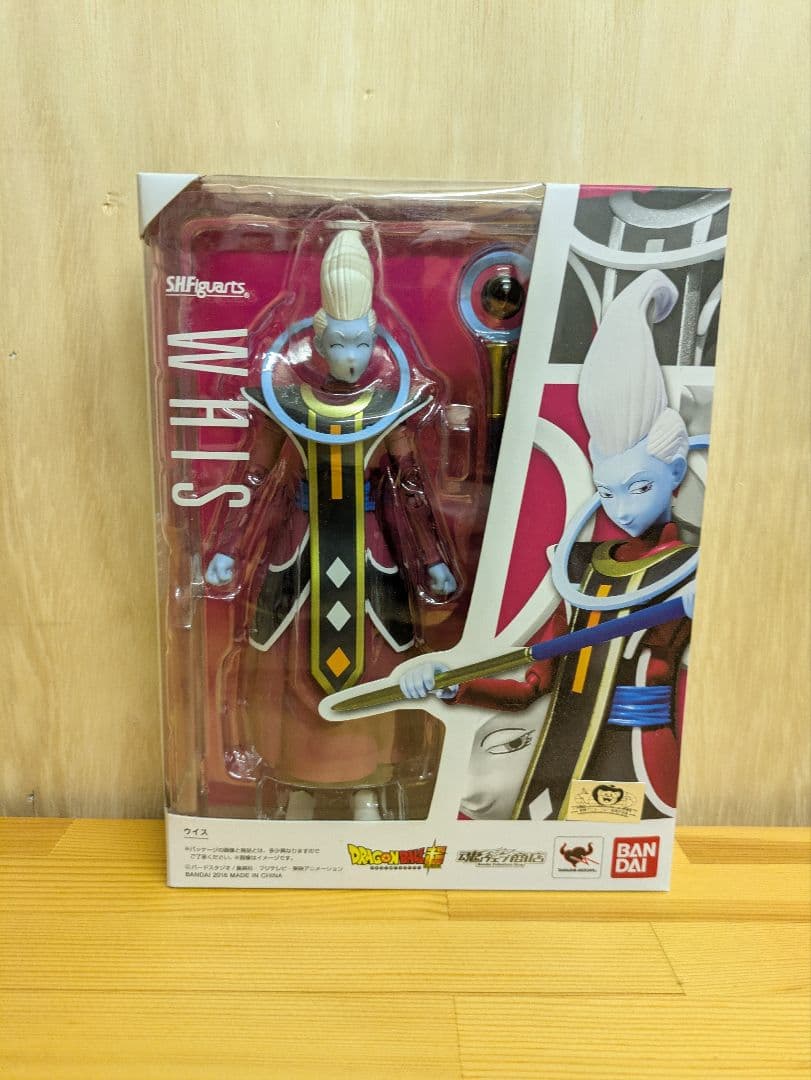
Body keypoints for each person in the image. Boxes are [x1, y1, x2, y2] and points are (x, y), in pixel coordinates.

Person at [401, 270, 698, 821]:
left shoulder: (692, 569)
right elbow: (530, 686)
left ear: (676, 471)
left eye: (639, 487)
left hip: (643, 763)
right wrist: (450, 685)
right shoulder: (580, 569)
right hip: (557, 766)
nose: (622, 509)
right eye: (607, 492)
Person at [207, 227, 456, 819]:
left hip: (372, 555)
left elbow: (410, 488)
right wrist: (228, 548)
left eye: (361, 343)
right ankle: (296, 783)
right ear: (317, 341)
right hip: (298, 554)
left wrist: (433, 559)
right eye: (339, 344)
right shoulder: (284, 403)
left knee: (377, 662)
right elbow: (253, 480)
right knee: (287, 666)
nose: (350, 357)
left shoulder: (390, 406)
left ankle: (368, 783)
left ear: (376, 340)